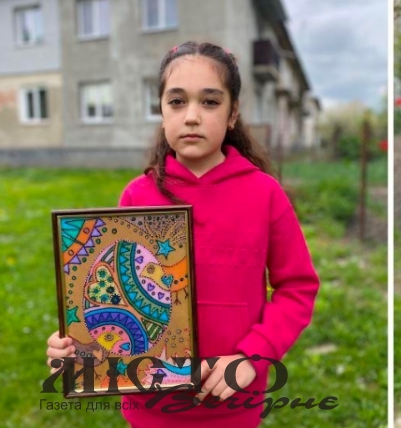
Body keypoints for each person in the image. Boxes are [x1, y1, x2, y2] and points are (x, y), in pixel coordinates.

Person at [45, 41, 320, 428]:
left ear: (232, 114)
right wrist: (77, 348)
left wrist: (253, 357)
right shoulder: (137, 196)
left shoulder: (264, 194)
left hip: (233, 404)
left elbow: (298, 288)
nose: (191, 116)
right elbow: (114, 299)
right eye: (177, 102)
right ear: (161, 111)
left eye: (209, 102)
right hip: (152, 408)